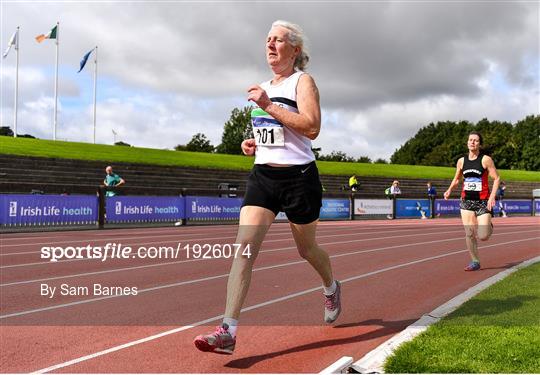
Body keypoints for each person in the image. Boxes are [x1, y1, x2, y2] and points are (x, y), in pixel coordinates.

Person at [194, 20, 341, 355]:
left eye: (278, 40)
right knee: (244, 247)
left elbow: (313, 127)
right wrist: (254, 144)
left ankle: (330, 285)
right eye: (268, 39)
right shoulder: (261, 87)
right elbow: (271, 133)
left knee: (307, 250)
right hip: (263, 178)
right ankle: (227, 331)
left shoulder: (303, 82)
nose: (270, 44)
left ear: (295, 49)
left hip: (299, 178)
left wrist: (268, 105)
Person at [443, 131, 500, 271]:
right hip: (466, 201)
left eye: (475, 140)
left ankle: (489, 226)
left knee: (483, 236)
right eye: (470, 140)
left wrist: (492, 196)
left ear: (479, 143)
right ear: (467, 142)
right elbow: (457, 179)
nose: (472, 142)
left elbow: (497, 178)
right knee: (469, 233)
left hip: (482, 201)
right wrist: (449, 189)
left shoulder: (485, 159)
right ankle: (475, 261)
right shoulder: (461, 161)